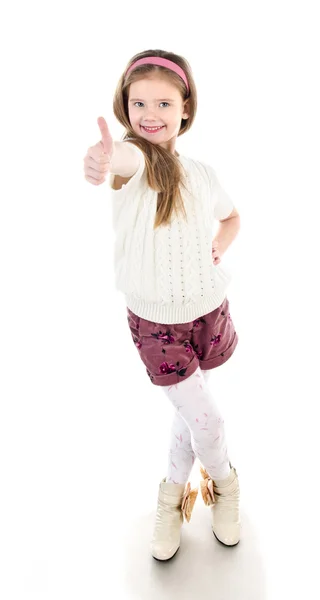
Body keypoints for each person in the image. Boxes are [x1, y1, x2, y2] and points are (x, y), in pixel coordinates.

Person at [83, 50, 241, 562]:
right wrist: (102, 160)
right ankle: (227, 483)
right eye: (138, 102)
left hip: (209, 310)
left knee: (189, 417)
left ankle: (174, 499)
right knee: (208, 421)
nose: (150, 113)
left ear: (186, 108)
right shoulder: (135, 161)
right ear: (125, 109)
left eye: (164, 102)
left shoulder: (202, 172)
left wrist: (219, 243)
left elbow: (232, 217)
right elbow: (119, 161)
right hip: (157, 325)